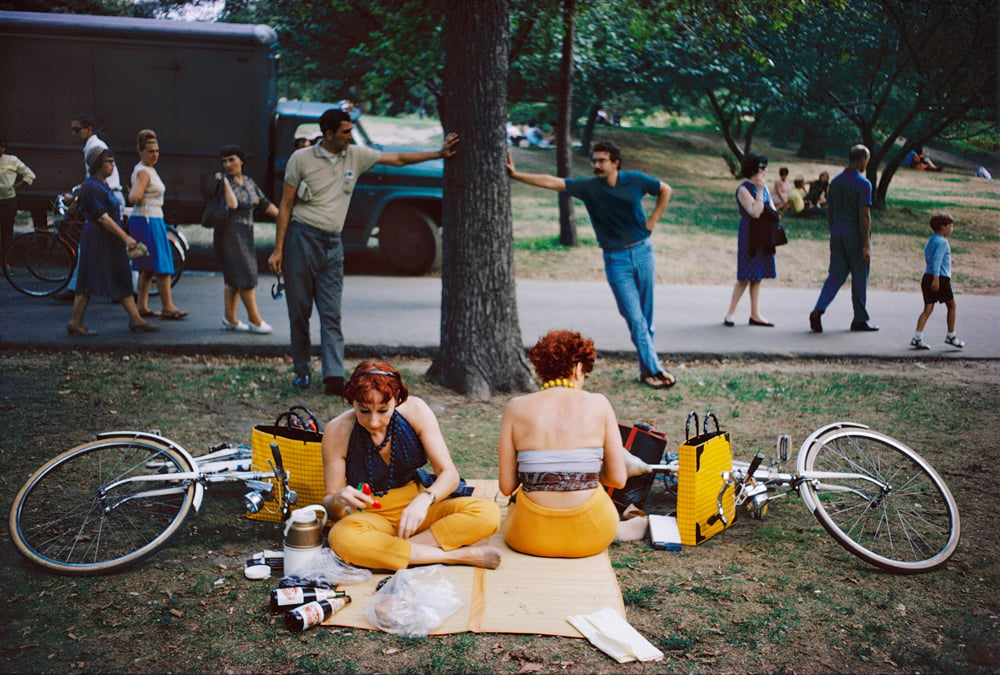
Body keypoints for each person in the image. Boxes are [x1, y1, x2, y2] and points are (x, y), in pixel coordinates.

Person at [267, 108, 459, 395]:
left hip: (333, 243)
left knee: (331, 313)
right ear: (328, 134)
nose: (350, 136)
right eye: (345, 132)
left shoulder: (355, 155)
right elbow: (285, 205)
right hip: (301, 239)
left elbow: (398, 159)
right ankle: (302, 371)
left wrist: (439, 153)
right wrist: (278, 249)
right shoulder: (301, 159)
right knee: (300, 311)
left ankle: (333, 377)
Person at [506, 141, 676, 389]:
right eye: (594, 161)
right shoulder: (589, 187)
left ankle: (646, 371)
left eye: (601, 161)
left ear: (615, 162)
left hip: (643, 252)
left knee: (646, 320)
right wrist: (517, 175)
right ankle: (656, 369)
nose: (596, 165)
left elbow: (665, 189)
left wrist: (653, 219)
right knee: (635, 318)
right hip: (616, 260)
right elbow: (552, 182)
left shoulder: (635, 180)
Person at [322, 362, 502, 571]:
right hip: (371, 516)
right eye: (363, 411)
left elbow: (449, 475)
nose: (373, 421)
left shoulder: (415, 410)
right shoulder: (337, 430)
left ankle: (391, 554)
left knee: (487, 513)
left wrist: (424, 499)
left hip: (417, 508)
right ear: (352, 401)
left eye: (383, 410)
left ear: (397, 400)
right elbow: (330, 506)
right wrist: (338, 499)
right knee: (342, 538)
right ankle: (455, 556)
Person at [497, 330, 627, 558]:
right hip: (592, 535)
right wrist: (586, 470)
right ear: (577, 368)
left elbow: (506, 486)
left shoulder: (516, 407)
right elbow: (618, 479)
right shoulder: (599, 404)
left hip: (527, 537)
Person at [67, 147, 156, 336]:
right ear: (98, 164)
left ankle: (136, 319)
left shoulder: (101, 184)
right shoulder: (92, 186)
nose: (112, 165)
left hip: (110, 238)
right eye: (109, 161)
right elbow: (101, 217)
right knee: (89, 277)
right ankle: (75, 322)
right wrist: (125, 236)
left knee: (122, 275)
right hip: (99, 238)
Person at [809, 144, 878, 333]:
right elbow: (864, 215)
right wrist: (865, 244)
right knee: (859, 277)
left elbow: (830, 210)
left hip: (838, 232)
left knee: (835, 275)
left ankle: (818, 309)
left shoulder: (836, 182)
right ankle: (860, 318)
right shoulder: (864, 184)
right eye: (867, 159)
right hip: (855, 234)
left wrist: (833, 230)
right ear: (862, 160)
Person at [58, 116, 126, 301]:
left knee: (92, 246)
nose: (74, 134)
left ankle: (77, 290)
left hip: (105, 197)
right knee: (106, 246)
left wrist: (76, 196)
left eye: (77, 129)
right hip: (106, 195)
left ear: (89, 129)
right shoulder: (93, 145)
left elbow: (93, 179)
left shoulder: (94, 148)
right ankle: (121, 291)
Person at [214, 144, 279, 334]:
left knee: (235, 278)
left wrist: (285, 220)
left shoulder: (249, 182)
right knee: (246, 274)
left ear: (242, 161)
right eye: (224, 161)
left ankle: (230, 319)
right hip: (228, 232)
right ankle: (254, 319)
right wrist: (225, 182)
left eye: (231, 159)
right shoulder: (222, 183)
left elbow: (265, 204)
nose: (227, 164)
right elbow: (232, 204)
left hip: (245, 231)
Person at [128, 129, 188, 320]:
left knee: (147, 265)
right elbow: (134, 196)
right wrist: (136, 193)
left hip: (149, 218)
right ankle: (168, 307)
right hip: (148, 219)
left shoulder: (145, 169)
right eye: (150, 151)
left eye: (157, 151)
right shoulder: (144, 173)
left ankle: (142, 306)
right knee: (162, 263)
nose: (155, 155)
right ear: (141, 151)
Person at [724, 153, 777, 328]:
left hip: (764, 234)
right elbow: (755, 212)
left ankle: (755, 314)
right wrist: (760, 191)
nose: (766, 171)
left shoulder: (766, 188)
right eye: (763, 167)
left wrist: (763, 192)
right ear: (754, 169)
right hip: (749, 234)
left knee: (758, 276)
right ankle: (730, 313)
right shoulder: (744, 189)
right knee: (745, 276)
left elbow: (771, 210)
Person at [911, 214, 964, 350]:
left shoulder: (931, 240)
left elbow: (929, 258)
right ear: (943, 227)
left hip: (927, 276)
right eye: (950, 226)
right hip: (939, 278)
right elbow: (937, 261)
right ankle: (951, 335)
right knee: (952, 306)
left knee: (928, 308)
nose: (952, 229)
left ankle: (917, 337)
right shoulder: (942, 242)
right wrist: (936, 280)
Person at [0, 136, 36, 254]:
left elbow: (30, 175)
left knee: (6, 231)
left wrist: (15, 186)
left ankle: (6, 262)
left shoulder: (12, 160)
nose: (1, 149)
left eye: (2, 146)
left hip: (7, 201)